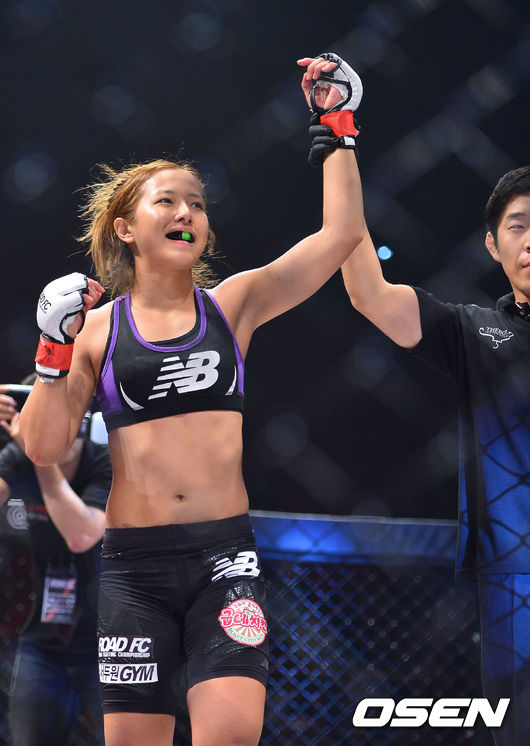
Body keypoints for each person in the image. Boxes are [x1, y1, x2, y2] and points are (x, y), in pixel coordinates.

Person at [19, 54, 364, 746]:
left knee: (231, 735)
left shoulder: (232, 305)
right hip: (133, 568)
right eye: (167, 201)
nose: (186, 212)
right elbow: (44, 446)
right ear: (125, 228)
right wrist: (51, 351)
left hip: (224, 558)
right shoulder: (95, 331)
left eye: (198, 203)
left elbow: (340, 237)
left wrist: (339, 128)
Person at [339, 164, 530, 745]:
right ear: (493, 246)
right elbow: (369, 293)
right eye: (519, 226)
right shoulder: (476, 332)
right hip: (517, 579)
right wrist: (340, 151)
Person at [0, 380, 112, 746]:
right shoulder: (17, 456)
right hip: (42, 641)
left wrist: (40, 460)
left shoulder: (105, 459)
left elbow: (81, 535)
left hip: (110, 641)